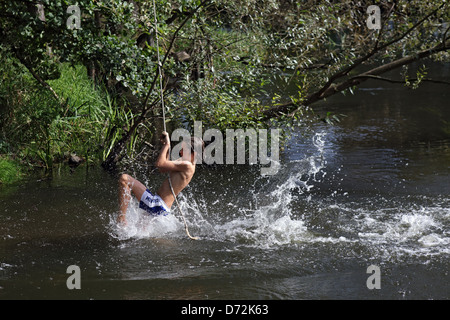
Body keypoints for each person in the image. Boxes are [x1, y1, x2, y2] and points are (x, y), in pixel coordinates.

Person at [117, 131, 204, 225]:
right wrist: (165, 146)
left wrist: (167, 144)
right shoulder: (186, 162)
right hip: (160, 207)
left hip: (157, 204)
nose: (180, 152)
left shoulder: (187, 165)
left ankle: (121, 219)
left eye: (184, 150)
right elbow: (162, 169)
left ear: (194, 153)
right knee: (141, 233)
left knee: (124, 179)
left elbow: (159, 164)